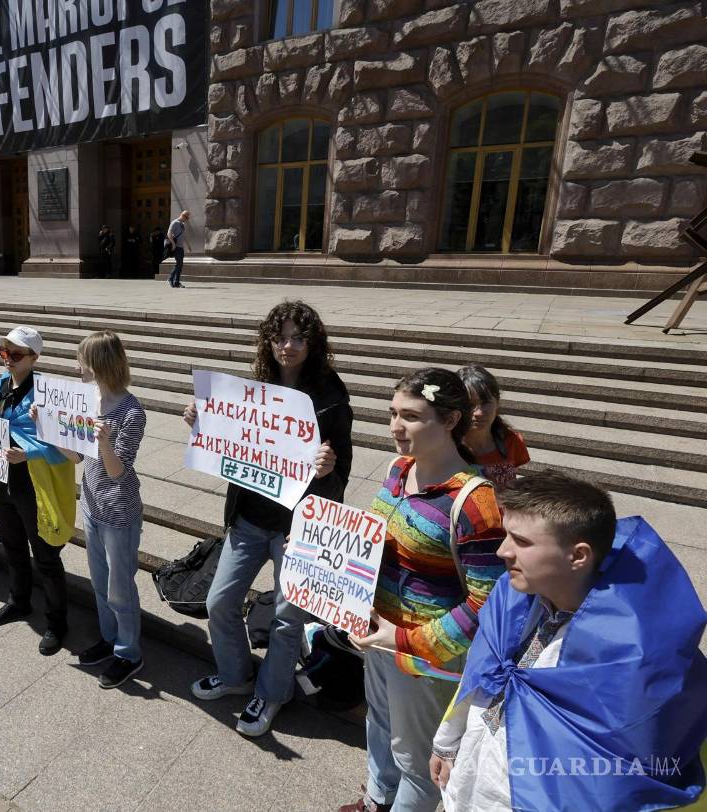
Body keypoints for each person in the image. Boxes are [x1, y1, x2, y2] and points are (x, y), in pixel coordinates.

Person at [430, 472, 707, 812]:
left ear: (578, 556)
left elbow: (612, 774)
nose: (503, 551)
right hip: (468, 781)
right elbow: (482, 672)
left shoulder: (628, 659)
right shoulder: (511, 599)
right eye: (506, 535)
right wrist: (447, 742)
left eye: (522, 542)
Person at [339, 367, 506, 812]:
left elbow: (485, 604)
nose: (395, 426)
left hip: (425, 657)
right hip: (377, 635)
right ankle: (377, 799)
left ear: (450, 421)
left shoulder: (475, 501)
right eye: (392, 413)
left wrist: (405, 638)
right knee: (379, 723)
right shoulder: (398, 468)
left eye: (411, 417)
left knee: (417, 757)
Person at [186, 301, 354, 737]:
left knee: (286, 616)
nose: (288, 345)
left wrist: (328, 469)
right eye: (281, 336)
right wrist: (202, 424)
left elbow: (342, 478)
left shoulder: (331, 397)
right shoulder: (255, 388)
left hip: (296, 527)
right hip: (249, 518)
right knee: (219, 602)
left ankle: (273, 692)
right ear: (268, 341)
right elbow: (233, 445)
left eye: (299, 337)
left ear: (313, 343)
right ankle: (237, 676)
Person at [55, 331, 147, 689]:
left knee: (120, 587)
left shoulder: (132, 411)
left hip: (119, 513)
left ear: (98, 365)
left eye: (81, 360)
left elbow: (116, 469)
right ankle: (110, 640)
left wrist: (104, 441)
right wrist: (51, 431)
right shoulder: (90, 399)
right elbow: (76, 456)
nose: (77, 367)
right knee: (99, 582)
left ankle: (129, 654)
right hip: (92, 505)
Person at [0, 326, 77, 656]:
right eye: (3, 352)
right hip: (3, 476)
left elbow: (66, 451)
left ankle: (57, 622)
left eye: (16, 354)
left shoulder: (48, 394)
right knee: (11, 542)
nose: (7, 358)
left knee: (46, 554)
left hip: (35, 481)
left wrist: (28, 453)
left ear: (35, 357)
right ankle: (19, 601)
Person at [459, 365, 530, 489]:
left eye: (485, 402)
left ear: (497, 402)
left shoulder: (512, 441)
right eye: (470, 404)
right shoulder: (445, 447)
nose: (479, 413)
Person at [167, 210, 189, 288]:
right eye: (186, 217)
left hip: (181, 247)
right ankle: (171, 279)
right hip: (176, 247)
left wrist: (188, 246)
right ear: (182, 215)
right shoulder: (174, 223)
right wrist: (173, 244)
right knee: (179, 264)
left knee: (180, 265)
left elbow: (184, 236)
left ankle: (176, 282)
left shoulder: (182, 224)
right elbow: (169, 233)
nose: (187, 219)